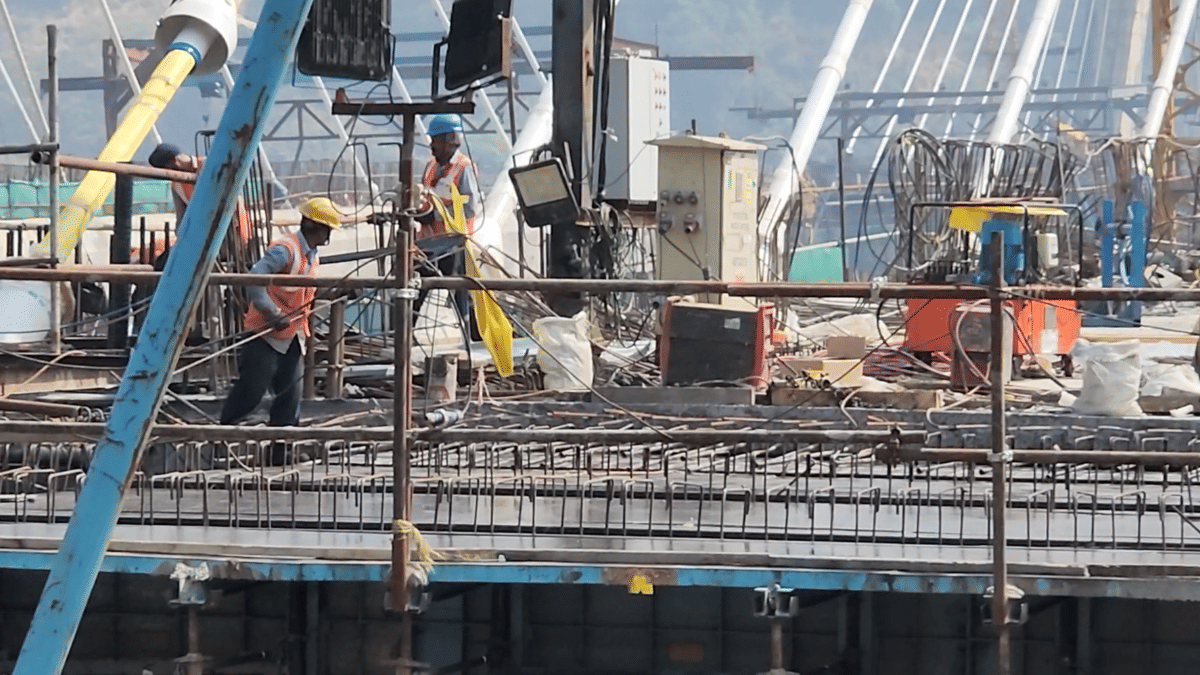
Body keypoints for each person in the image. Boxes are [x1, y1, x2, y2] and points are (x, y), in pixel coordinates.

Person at [219, 197, 341, 431]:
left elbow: (305, 289)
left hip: (293, 334)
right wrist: (272, 313)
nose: (329, 236)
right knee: (252, 390)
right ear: (315, 227)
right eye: (327, 229)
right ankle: (222, 434)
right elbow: (254, 279)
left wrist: (336, 291)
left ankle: (281, 450)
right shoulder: (285, 250)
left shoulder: (312, 254)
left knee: (289, 395)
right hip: (265, 332)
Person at [412, 114, 481, 337]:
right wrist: (420, 212)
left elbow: (469, 208)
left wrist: (435, 216)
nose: (432, 145)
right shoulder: (430, 167)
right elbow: (427, 199)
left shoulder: (464, 168)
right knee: (413, 295)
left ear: (451, 139)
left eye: (436, 140)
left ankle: (473, 348)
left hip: (455, 245)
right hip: (427, 245)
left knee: (462, 299)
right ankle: (401, 341)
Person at [145, 143, 253, 265]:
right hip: (200, 238)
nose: (170, 174)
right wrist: (182, 238)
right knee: (165, 262)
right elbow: (181, 218)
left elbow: (227, 201)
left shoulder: (210, 165)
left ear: (175, 161)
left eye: (168, 169)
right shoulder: (176, 185)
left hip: (229, 231)